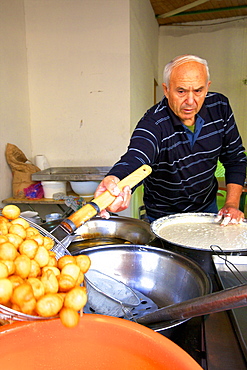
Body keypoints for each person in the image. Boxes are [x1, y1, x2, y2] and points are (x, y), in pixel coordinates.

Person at [95, 54, 246, 225]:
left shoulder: (220, 107)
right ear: (166, 90)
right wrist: (115, 180)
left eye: (198, 91)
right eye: (181, 91)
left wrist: (231, 204)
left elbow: (235, 158)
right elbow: (137, 157)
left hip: (207, 211)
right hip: (162, 217)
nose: (190, 101)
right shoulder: (154, 122)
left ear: (207, 87)